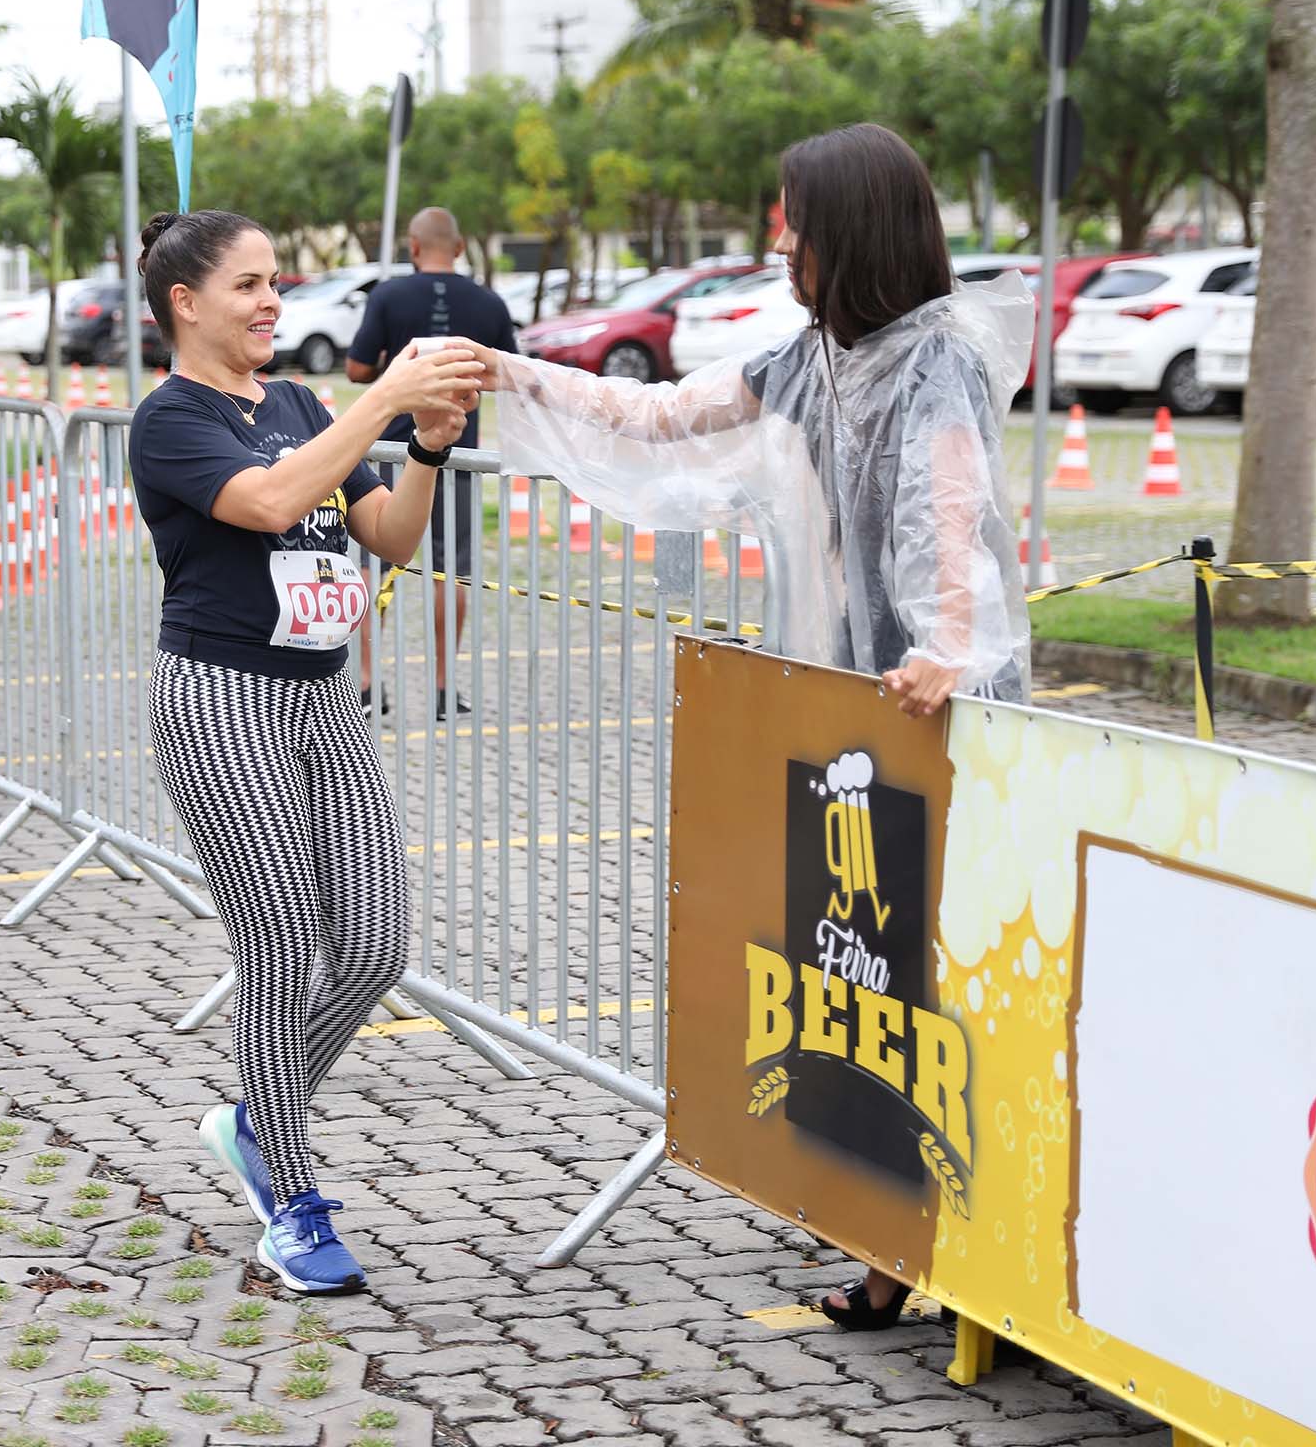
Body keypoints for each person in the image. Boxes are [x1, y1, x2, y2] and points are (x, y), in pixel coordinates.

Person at [450, 123, 1032, 1329]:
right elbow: (657, 417)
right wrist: (509, 372)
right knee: (866, 980)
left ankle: (937, 1249)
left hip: (938, 714)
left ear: (848, 232)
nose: (778, 242)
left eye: (792, 220)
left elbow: (951, 511)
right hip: (850, 720)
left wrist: (945, 651)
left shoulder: (939, 363)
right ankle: (885, 1229)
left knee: (941, 984)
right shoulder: (811, 360)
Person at [127, 210, 483, 1295]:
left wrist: (424, 442)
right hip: (221, 697)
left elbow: (389, 537)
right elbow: (273, 499)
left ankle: (252, 1115)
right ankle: (292, 1194)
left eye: (277, 281)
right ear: (186, 303)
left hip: (325, 695)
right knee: (282, 939)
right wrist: (384, 397)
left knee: (374, 942)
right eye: (249, 284)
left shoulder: (295, 401)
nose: (274, 301)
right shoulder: (168, 419)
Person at [346, 207, 517, 719]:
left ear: (413, 248)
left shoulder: (389, 295)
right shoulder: (488, 302)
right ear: (460, 247)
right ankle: (445, 689)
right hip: (459, 452)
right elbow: (506, 372)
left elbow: (356, 368)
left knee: (370, 567)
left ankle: (369, 684)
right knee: (453, 571)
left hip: (392, 451)